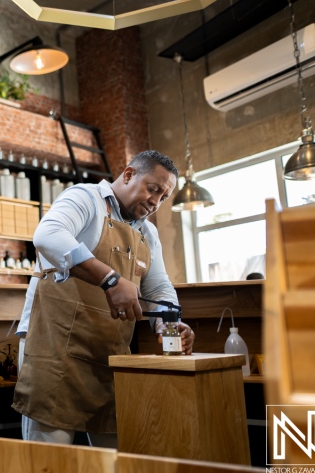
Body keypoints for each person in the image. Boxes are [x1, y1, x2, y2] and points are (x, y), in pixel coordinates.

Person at [12, 150, 195, 447]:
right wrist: (110, 280)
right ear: (128, 174)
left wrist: (168, 324)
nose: (155, 202)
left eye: (163, 197)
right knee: (48, 466)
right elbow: (48, 235)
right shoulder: (85, 198)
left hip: (108, 358)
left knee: (112, 465)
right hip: (55, 352)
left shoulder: (148, 232)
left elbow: (158, 287)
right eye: (153, 189)